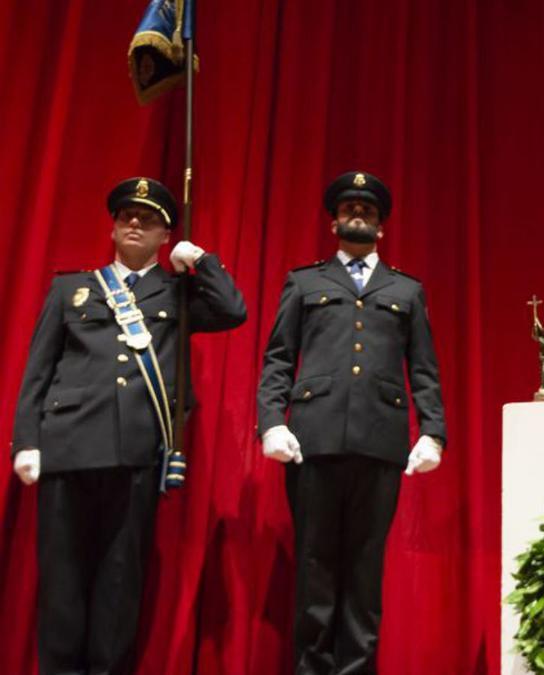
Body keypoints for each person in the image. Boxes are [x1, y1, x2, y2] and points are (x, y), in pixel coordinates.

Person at [10, 177, 247, 674]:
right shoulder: (71, 289)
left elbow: (232, 311)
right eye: (126, 216)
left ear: (166, 236)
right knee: (62, 581)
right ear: (114, 227)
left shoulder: (177, 295)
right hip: (67, 449)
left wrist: (201, 261)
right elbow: (38, 370)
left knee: (120, 583)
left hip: (135, 453)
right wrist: (27, 442)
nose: (134, 223)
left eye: (150, 219)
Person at [257, 171, 447, 674]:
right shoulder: (305, 282)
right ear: (334, 220)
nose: (357, 213)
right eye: (348, 207)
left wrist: (433, 431)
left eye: (367, 208)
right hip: (312, 442)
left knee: (364, 575)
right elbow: (279, 358)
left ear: (381, 225)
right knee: (315, 570)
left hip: (380, 444)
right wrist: (272, 422)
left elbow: (424, 368)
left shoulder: (405, 290)